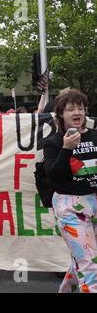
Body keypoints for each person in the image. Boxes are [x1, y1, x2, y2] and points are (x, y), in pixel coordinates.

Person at [43, 89, 97, 293]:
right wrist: (66, 149)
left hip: (95, 203)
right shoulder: (54, 142)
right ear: (60, 115)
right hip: (71, 208)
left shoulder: (94, 136)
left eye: (81, 108)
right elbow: (54, 177)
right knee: (91, 266)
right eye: (71, 109)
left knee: (86, 260)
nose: (77, 112)